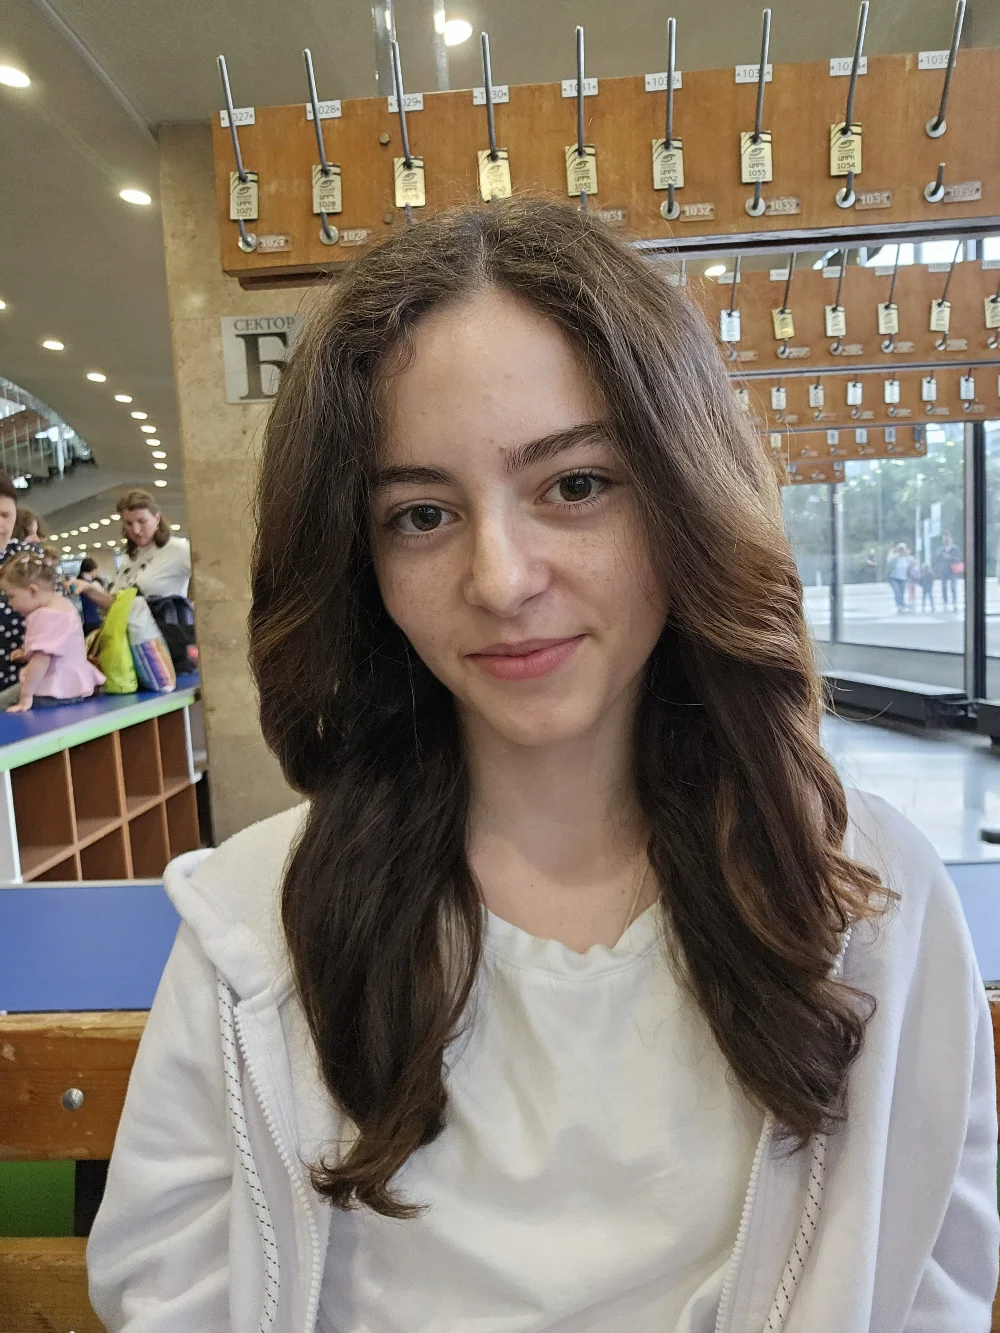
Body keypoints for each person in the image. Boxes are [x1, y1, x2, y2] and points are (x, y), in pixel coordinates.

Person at [87, 201, 998, 1333]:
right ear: (361, 559)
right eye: (422, 513)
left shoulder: (871, 904)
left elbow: (932, 1281)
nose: (502, 578)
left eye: (575, 485)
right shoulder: (255, 932)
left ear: (684, 496)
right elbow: (166, 1286)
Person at [0, 550, 104, 711]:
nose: (10, 604)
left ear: (32, 591)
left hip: (52, 692)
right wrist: (28, 652)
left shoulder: (43, 615)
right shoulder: (64, 605)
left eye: (11, 596)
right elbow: (58, 646)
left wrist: (26, 696)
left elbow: (41, 660)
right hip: (72, 688)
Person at [73, 489, 190, 611]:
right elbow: (115, 604)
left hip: (166, 622)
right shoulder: (130, 556)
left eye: (142, 521)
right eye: (128, 523)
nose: (135, 530)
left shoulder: (178, 549)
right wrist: (88, 589)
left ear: (157, 518)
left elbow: (205, 579)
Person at [0, 473, 51, 697]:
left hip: (26, 687)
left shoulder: (28, 558)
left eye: (6, 515)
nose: (1, 524)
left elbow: (59, 613)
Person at [76, 556, 106, 636]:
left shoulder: (76, 583)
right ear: (93, 570)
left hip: (80, 622)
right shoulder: (92, 584)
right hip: (93, 620)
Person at [935, 530, 963, 611]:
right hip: (943, 571)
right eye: (945, 538)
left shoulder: (955, 549)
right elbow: (936, 560)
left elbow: (959, 559)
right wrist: (937, 569)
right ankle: (945, 602)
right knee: (944, 587)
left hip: (953, 570)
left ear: (951, 539)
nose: (946, 540)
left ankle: (954, 602)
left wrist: (949, 557)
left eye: (948, 538)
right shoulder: (940, 550)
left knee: (953, 587)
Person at [886, 541, 910, 612]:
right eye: (900, 549)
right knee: (897, 591)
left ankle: (902, 604)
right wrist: (897, 555)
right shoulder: (893, 556)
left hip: (903, 577)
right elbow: (889, 563)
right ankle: (899, 605)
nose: (901, 551)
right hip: (893, 577)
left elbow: (911, 565)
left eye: (903, 549)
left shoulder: (906, 557)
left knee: (902, 592)